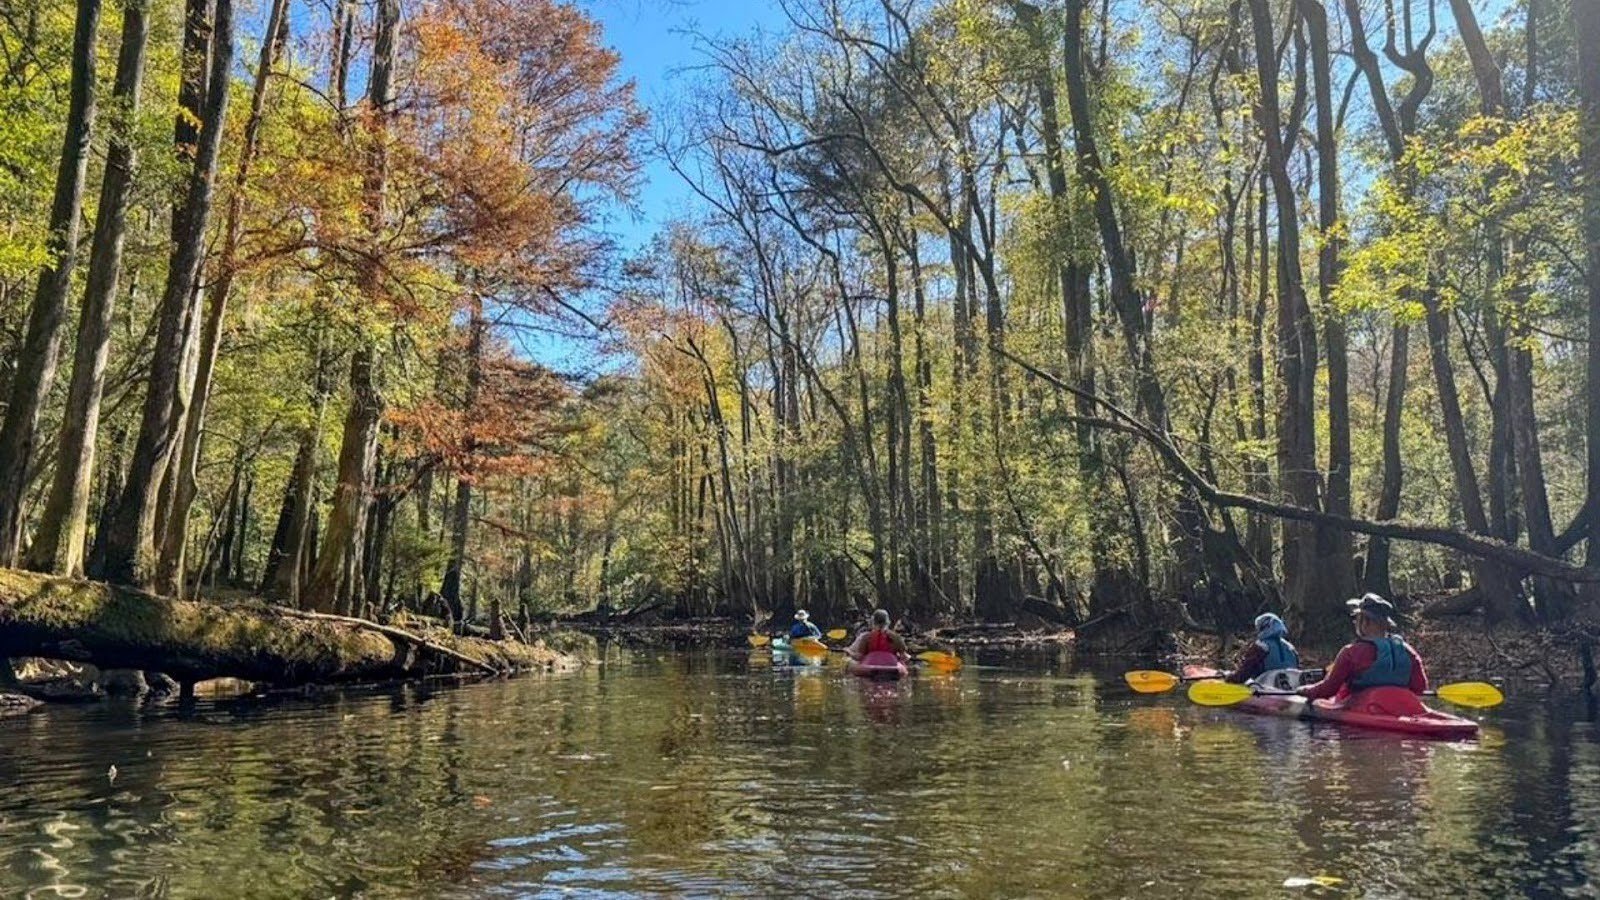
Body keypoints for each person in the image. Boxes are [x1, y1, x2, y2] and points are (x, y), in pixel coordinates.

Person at [1296, 593, 1428, 701]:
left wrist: (1305, 690)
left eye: (1357, 619)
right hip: (1401, 709)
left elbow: (1328, 689)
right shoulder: (1408, 651)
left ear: (1365, 622)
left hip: (1362, 710)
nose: (1355, 623)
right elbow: (1420, 688)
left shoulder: (1351, 653)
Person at [1225, 613, 1300, 684]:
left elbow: (1243, 674)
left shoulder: (1261, 646)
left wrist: (1229, 677)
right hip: (1290, 687)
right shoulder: (1291, 647)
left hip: (1266, 688)